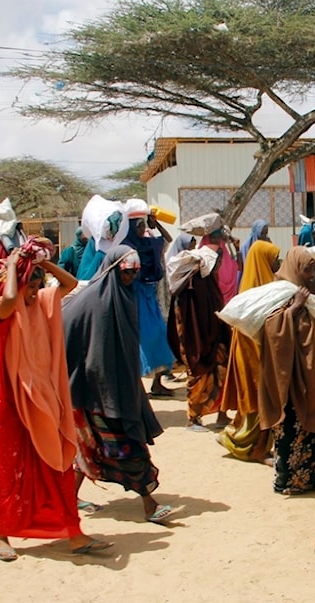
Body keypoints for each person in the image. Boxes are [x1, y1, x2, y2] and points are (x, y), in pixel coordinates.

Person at [0, 240, 112, 561]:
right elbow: (10, 296)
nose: (36, 288)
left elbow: (71, 284)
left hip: (43, 400)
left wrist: (41, 263)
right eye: (30, 282)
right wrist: (12, 266)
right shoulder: (3, 308)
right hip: (6, 405)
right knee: (6, 469)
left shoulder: (43, 302)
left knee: (57, 464)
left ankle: (74, 534)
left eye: (38, 282)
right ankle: (1, 535)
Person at [64, 245, 173, 525]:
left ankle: (67, 497)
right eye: (127, 272)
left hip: (119, 384)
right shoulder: (93, 300)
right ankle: (149, 504)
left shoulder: (125, 297)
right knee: (126, 446)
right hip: (96, 390)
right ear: (114, 269)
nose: (131, 277)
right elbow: (66, 328)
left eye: (135, 272)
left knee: (90, 448)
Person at [259, 247, 315, 495]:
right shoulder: (280, 292)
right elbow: (271, 329)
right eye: (307, 269)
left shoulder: (310, 290)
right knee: (292, 427)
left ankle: (310, 476)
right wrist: (294, 308)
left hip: (314, 374)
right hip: (291, 377)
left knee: (314, 426)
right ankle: (288, 480)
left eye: (314, 269)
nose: (312, 274)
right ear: (296, 267)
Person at [218, 240, 281, 462]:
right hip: (253, 356)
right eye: (273, 260)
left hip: (260, 355)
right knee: (259, 401)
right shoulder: (253, 293)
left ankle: (246, 442)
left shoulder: (267, 286)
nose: (277, 265)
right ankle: (256, 449)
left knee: (259, 403)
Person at [168, 241, 231, 431]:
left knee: (222, 373)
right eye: (218, 262)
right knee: (198, 376)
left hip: (214, 340)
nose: (220, 266)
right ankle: (193, 418)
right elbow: (194, 318)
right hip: (198, 342)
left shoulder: (207, 282)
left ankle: (222, 413)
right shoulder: (195, 284)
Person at [122, 212, 176, 398]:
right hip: (135, 296)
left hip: (149, 296)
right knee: (140, 343)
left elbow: (168, 239)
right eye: (138, 225)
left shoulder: (149, 244)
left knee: (160, 336)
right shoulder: (126, 248)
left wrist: (156, 224)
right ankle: (136, 388)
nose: (142, 229)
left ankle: (157, 383)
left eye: (143, 225)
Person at [237, 219, 269, 285]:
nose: (264, 236)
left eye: (266, 233)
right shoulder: (246, 246)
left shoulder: (267, 243)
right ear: (256, 233)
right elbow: (244, 265)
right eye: (262, 234)